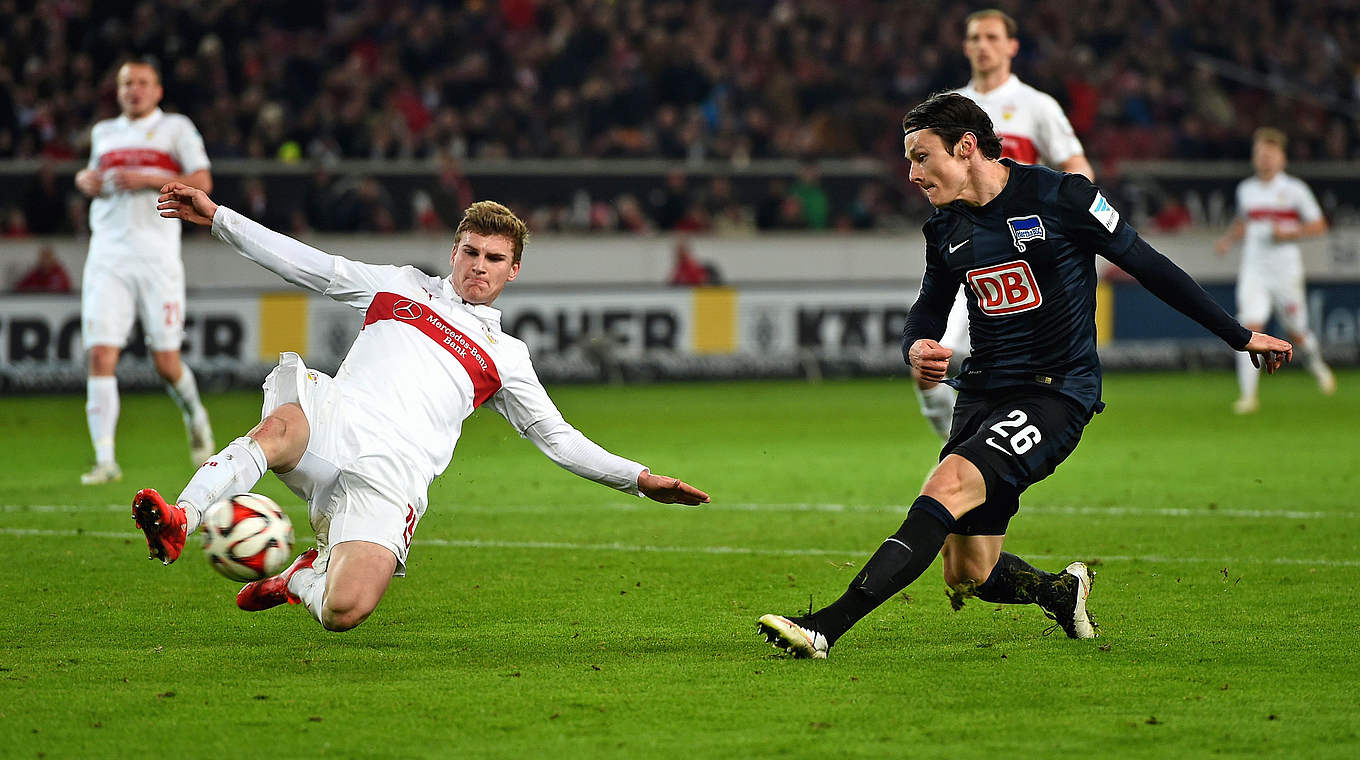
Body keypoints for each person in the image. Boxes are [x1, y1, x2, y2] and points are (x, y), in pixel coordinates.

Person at [757, 93, 1293, 658]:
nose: (912, 174)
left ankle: (824, 628)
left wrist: (1239, 334)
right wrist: (915, 345)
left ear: (966, 148)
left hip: (1056, 392)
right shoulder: (945, 228)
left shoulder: (1063, 197)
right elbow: (927, 308)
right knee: (970, 571)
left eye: (921, 157)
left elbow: (1150, 266)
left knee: (944, 487)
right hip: (983, 393)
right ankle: (1060, 592)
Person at [134, 185, 710, 633]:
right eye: (471, 252)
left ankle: (302, 579)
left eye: (494, 258)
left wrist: (637, 479)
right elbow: (308, 264)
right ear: (453, 252)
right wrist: (218, 219)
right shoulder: (400, 287)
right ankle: (183, 515)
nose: (479, 265)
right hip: (340, 418)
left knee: (345, 610)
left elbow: (556, 437)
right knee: (281, 427)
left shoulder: (506, 356)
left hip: (397, 472)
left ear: (513, 271)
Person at [913, 8, 1096, 441]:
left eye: (992, 37)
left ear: (1012, 46)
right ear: (965, 46)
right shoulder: (950, 108)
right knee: (927, 368)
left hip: (1025, 253)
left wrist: (1072, 228)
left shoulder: (1037, 106)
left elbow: (1077, 170)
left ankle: (977, 460)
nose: (983, 45)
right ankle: (961, 452)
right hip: (969, 250)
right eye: (975, 37)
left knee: (1014, 368)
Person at [73, 60, 215, 484]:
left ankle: (195, 415)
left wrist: (151, 178)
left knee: (166, 363)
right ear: (117, 92)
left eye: (142, 83)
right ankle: (105, 460)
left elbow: (203, 179)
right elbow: (97, 179)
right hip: (108, 257)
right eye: (125, 83)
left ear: (158, 90)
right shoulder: (104, 132)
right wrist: (86, 180)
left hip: (157, 258)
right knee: (100, 354)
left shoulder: (176, 128)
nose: (133, 90)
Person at [1214, 127, 1336, 413]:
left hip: (1285, 272)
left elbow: (1319, 225)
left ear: (1281, 157)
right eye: (1259, 154)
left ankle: (1318, 367)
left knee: (1297, 331)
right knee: (1248, 328)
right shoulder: (1246, 190)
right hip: (1254, 270)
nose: (1264, 160)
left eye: (1269, 154)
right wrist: (1228, 240)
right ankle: (1248, 396)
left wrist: (1290, 232)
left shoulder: (1294, 190)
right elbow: (1244, 221)